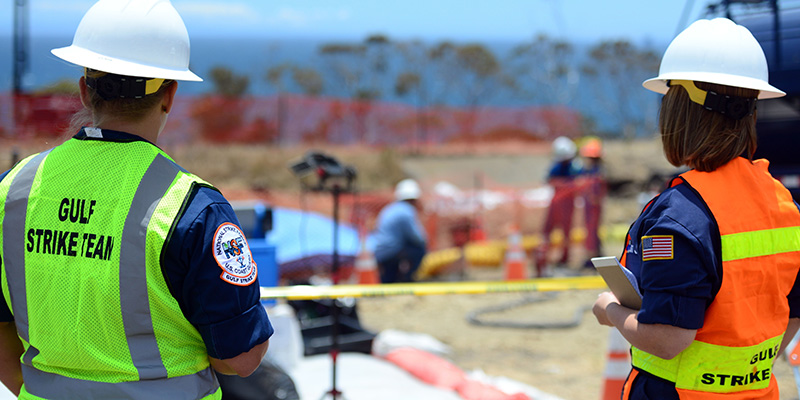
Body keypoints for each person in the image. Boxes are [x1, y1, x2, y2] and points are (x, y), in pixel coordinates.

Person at [0, 1, 272, 398]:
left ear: (84, 90)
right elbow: (241, 358)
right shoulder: (192, 209)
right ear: (169, 95)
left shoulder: (13, 191)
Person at [592, 18, 800, 399]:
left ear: (680, 111)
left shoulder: (677, 218)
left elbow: (668, 340)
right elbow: (791, 312)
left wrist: (611, 310)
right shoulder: (783, 203)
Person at [534, 136, 581, 276]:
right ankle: (543, 259)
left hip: (568, 203)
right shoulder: (557, 166)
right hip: (556, 202)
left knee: (566, 233)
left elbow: (579, 182)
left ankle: (564, 258)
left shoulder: (574, 166)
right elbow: (548, 179)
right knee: (548, 230)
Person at [371, 179, 428, 283]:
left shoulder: (390, 208)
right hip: (392, 250)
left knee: (389, 277)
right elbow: (417, 237)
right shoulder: (407, 211)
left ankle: (392, 281)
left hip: (380, 250)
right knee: (419, 249)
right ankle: (408, 278)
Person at [577, 137, 606, 268]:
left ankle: (593, 257)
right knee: (591, 231)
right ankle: (596, 255)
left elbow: (598, 191)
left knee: (592, 231)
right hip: (590, 205)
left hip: (593, 206)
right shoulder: (591, 171)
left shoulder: (597, 172)